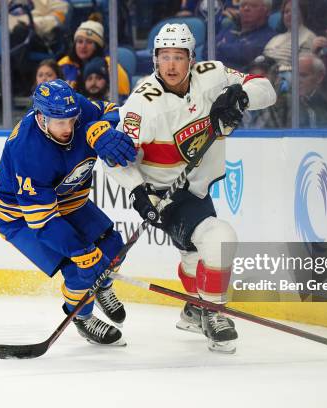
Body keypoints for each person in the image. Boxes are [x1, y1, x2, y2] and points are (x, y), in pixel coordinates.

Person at [105, 23, 276, 354]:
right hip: (163, 196)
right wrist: (139, 192)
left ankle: (195, 307)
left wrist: (241, 96)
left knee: (194, 253)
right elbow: (115, 158)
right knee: (219, 238)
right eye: (164, 57)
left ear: (191, 59)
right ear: (154, 59)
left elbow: (265, 89)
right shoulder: (143, 102)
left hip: (194, 188)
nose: (171, 65)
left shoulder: (212, 74)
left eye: (178, 57)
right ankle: (213, 312)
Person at [0, 79, 137, 346]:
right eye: (60, 123)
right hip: (19, 214)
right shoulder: (27, 150)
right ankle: (84, 318)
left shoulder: (72, 108)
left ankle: (102, 288)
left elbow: (113, 109)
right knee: (79, 268)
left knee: (113, 247)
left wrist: (102, 129)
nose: (68, 128)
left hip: (67, 197)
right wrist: (81, 252)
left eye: (72, 121)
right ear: (42, 118)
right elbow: (43, 221)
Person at [57, 19, 130, 98]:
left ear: (97, 46)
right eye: (80, 41)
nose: (83, 46)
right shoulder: (64, 64)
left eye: (89, 42)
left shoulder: (110, 64)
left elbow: (122, 95)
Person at [212, 0, 277, 71]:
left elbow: (245, 55)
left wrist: (219, 46)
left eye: (253, 6)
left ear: (267, 12)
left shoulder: (270, 37)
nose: (246, 8)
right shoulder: (228, 29)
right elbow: (207, 50)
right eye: (242, 6)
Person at [261, 0, 316, 71]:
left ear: (303, 13)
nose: (289, 14)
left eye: (294, 11)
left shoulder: (309, 37)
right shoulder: (275, 38)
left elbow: (302, 70)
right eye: (286, 12)